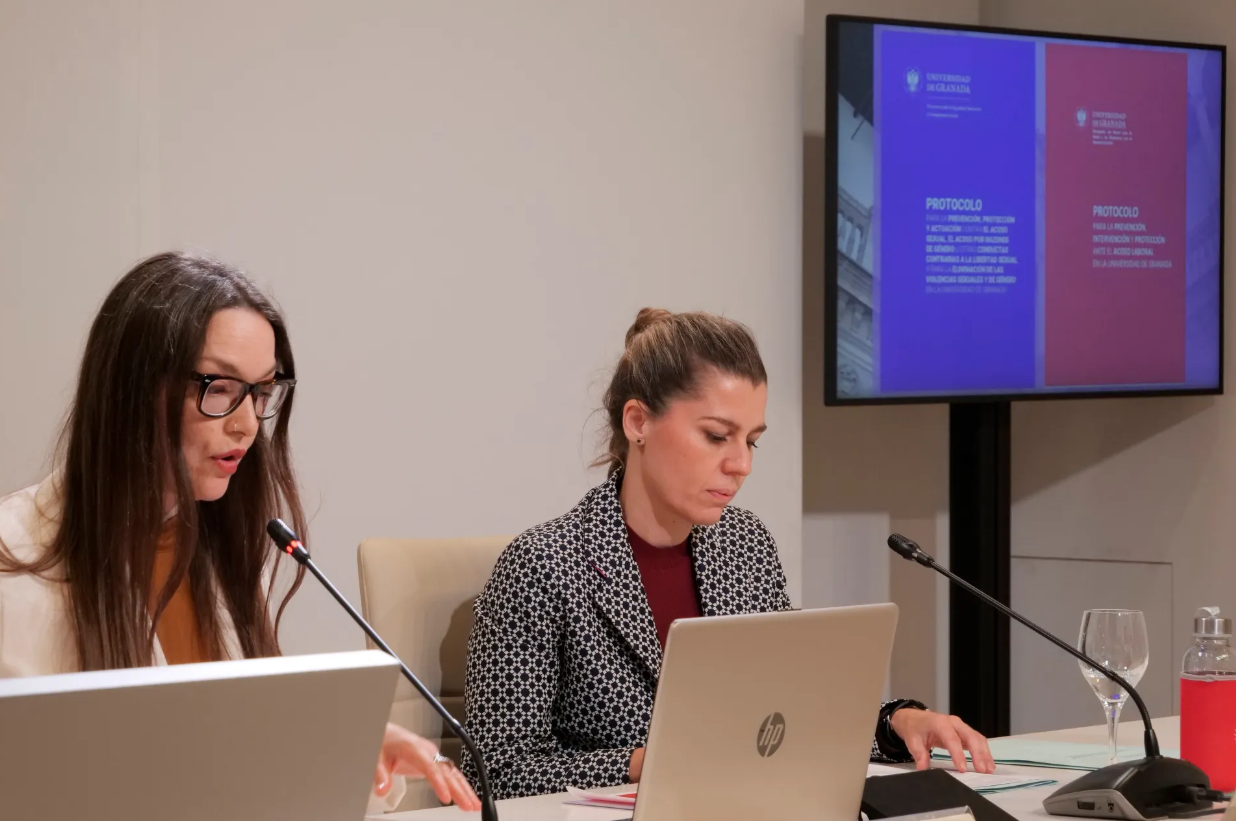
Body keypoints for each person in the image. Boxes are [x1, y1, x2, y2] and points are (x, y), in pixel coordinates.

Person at [0, 252, 479, 813]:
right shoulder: (17, 559)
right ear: (132, 387)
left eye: (261, 392)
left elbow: (222, 754)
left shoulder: (213, 543)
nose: (247, 423)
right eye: (220, 387)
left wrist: (346, 747)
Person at [462, 308, 995, 799]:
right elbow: (494, 772)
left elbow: (796, 707)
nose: (741, 464)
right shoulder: (543, 564)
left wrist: (897, 722)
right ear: (638, 423)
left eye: (752, 441)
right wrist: (642, 763)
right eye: (717, 436)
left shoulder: (743, 544)